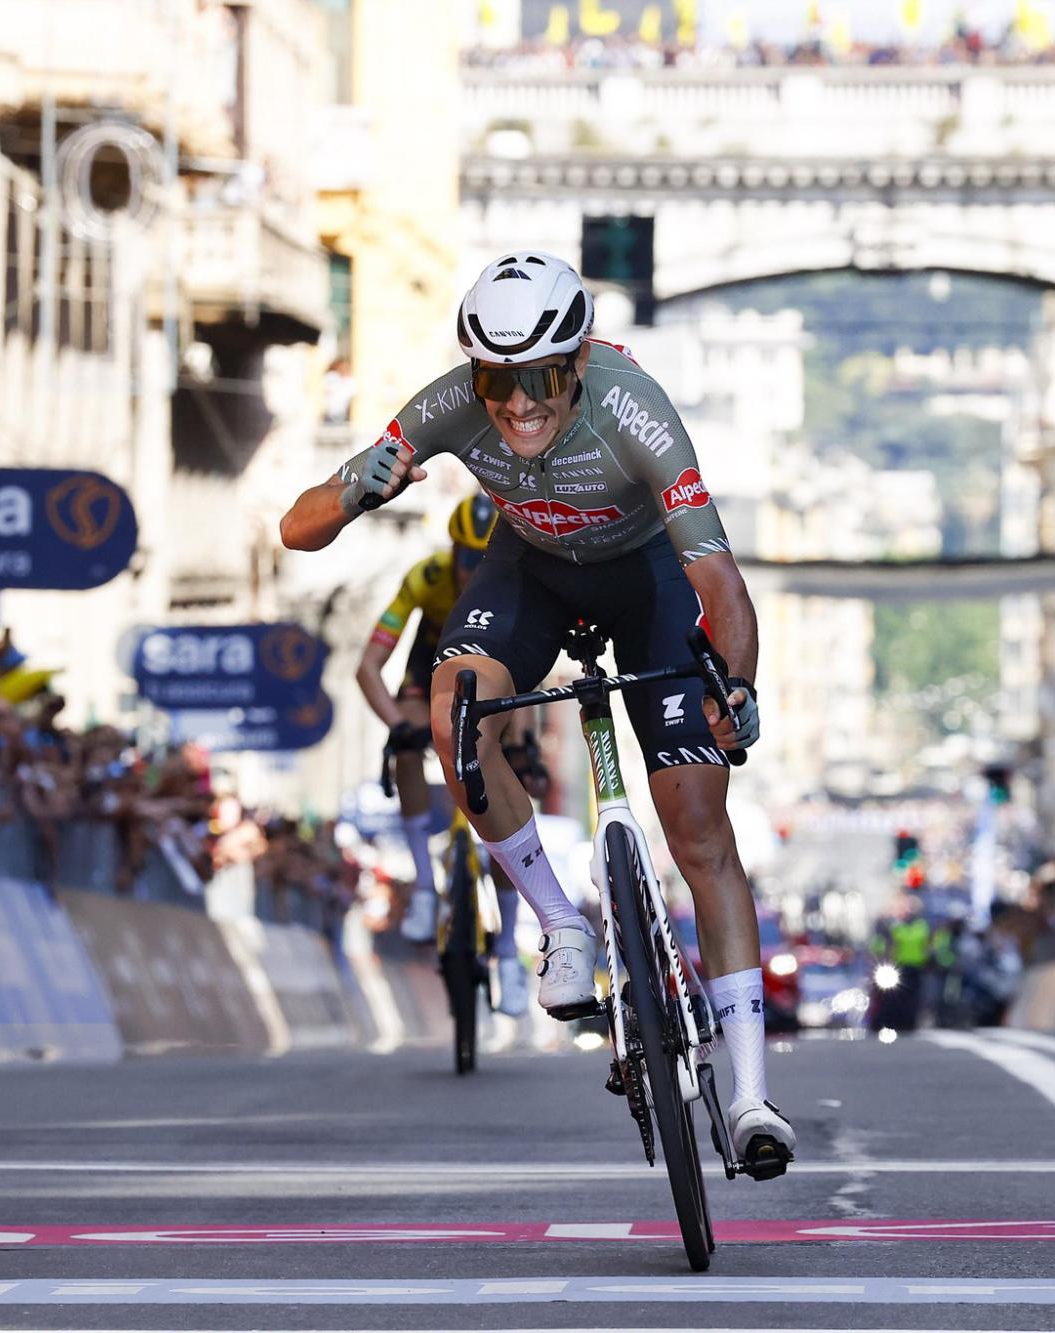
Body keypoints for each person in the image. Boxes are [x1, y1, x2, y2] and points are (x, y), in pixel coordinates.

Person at [280, 252, 792, 1177]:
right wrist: (363, 486)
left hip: (649, 583)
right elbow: (296, 527)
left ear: (580, 362)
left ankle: (752, 1093)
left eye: (542, 381)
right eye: (496, 382)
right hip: (532, 576)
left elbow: (717, 578)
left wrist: (738, 684)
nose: (517, 405)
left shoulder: (636, 408)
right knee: (454, 712)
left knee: (699, 830)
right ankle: (561, 921)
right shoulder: (448, 405)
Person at [354, 495, 533, 1015]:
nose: (472, 569)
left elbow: (528, 676)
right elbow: (368, 665)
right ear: (450, 551)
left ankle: (505, 950)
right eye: (464, 557)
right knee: (407, 742)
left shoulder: (511, 583)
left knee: (507, 789)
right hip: (427, 674)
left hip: (495, 675)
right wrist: (395, 727)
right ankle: (426, 889)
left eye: (483, 559)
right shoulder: (424, 578)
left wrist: (520, 746)